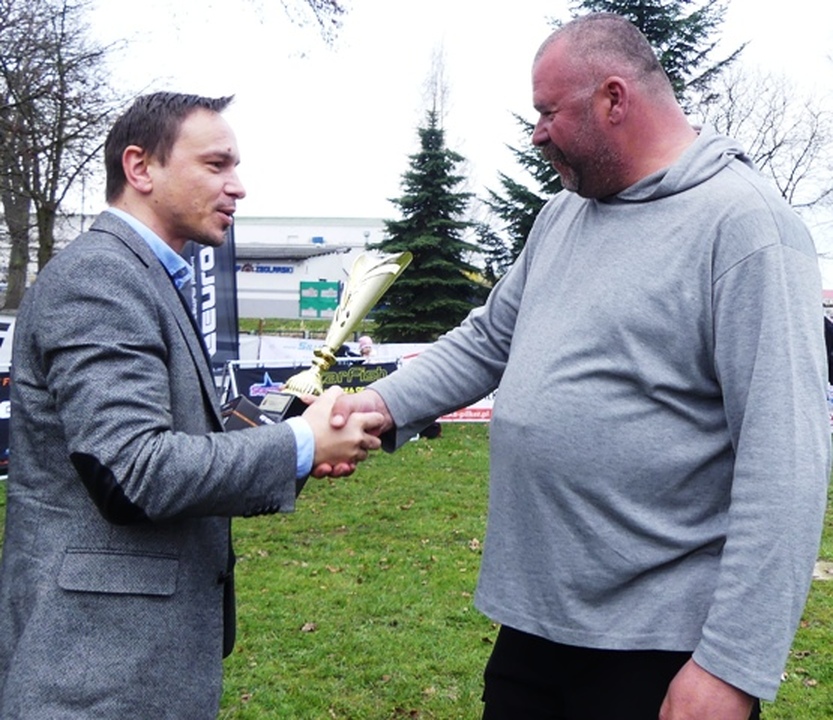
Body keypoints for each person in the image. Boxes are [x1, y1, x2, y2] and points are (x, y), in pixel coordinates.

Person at [319, 14, 830, 720]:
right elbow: (487, 341)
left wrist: (731, 667)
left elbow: (786, 460)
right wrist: (377, 405)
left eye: (547, 112)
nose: (536, 133)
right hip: (536, 629)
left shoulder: (746, 228)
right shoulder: (562, 216)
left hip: (661, 647)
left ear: (614, 98)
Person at [0, 91, 384, 719]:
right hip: (95, 674)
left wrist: (295, 428)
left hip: (130, 665)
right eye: (216, 164)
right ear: (140, 168)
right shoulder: (101, 277)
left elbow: (167, 436)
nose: (238, 187)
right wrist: (302, 443)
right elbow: (134, 471)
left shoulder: (147, 274)